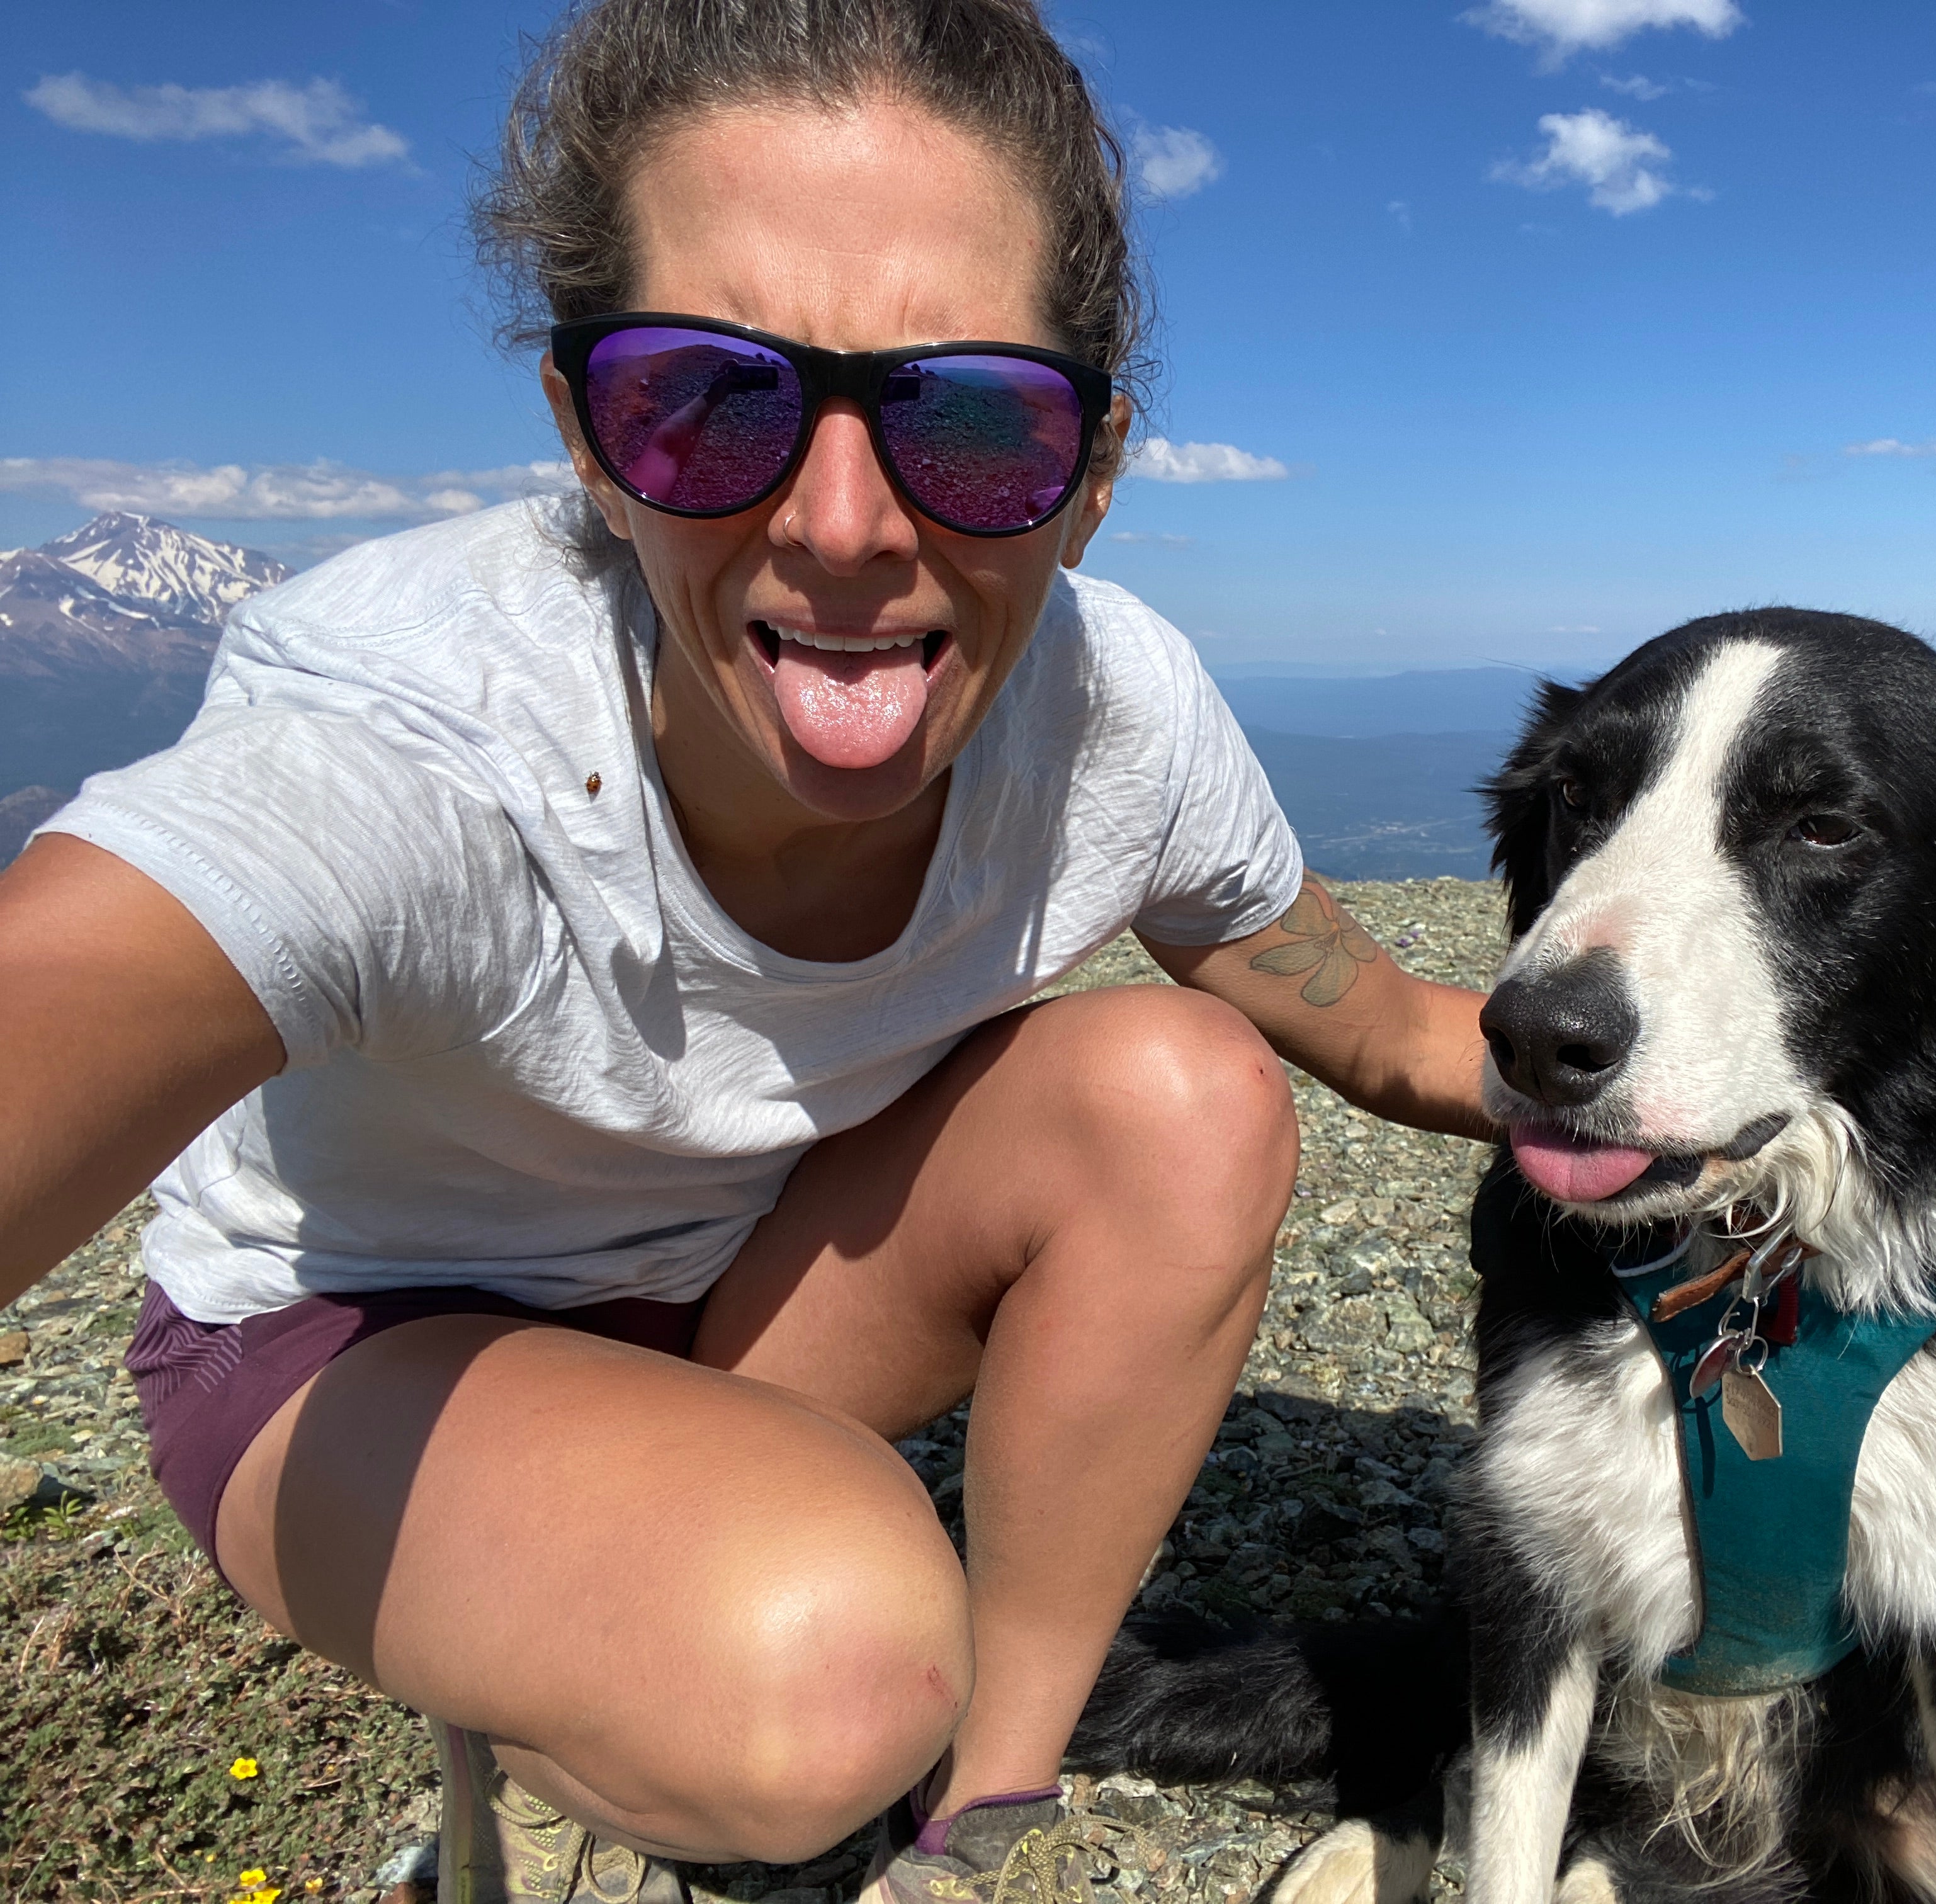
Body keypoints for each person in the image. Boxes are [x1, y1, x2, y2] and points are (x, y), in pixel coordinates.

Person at [0, 3, 1491, 1898]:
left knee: (1186, 1092)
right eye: (708, 401)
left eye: (970, 416)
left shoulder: (1122, 718)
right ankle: (581, 1745)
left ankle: (994, 1824)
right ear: (581, 436)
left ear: (1094, 470)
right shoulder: (418, 736)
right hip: (356, 1352)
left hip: (741, 1304)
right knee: (830, 1665)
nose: (845, 526)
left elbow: (1377, 1026)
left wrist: (1768, 1086)